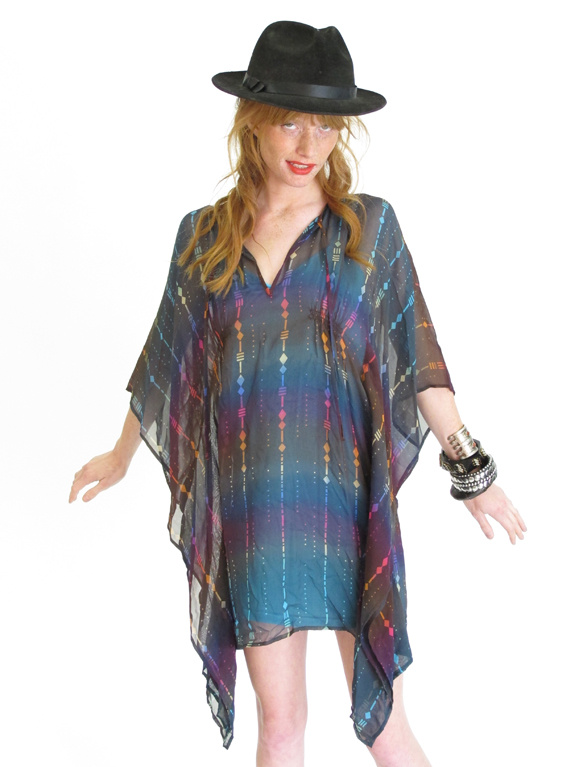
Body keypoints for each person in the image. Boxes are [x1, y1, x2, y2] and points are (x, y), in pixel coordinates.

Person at [68, 20, 527, 767]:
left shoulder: (368, 227)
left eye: (325, 123)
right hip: (254, 503)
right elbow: (167, 359)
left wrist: (473, 471)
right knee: (280, 728)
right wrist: (120, 454)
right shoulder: (204, 236)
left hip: (345, 502)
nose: (309, 142)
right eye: (289, 120)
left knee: (383, 726)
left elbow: (417, 356)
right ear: (252, 121)